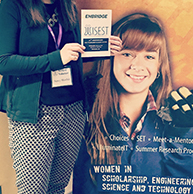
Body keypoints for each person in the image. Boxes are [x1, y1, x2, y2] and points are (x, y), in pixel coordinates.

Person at [0, 0, 92, 194]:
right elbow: (4, 63)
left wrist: (104, 47)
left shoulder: (67, 5)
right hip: (34, 114)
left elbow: (77, 52)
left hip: (72, 110)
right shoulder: (12, 6)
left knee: (58, 187)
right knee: (33, 190)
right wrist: (55, 58)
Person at [73, 13, 193, 194]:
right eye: (127, 53)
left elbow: (183, 185)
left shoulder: (175, 120)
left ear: (160, 66)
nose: (137, 65)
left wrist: (183, 133)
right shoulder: (84, 114)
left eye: (149, 57)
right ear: (111, 59)